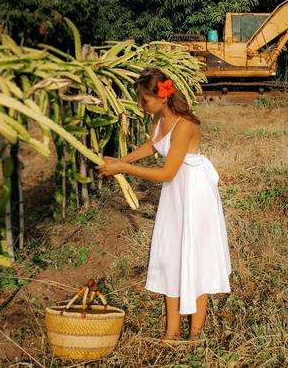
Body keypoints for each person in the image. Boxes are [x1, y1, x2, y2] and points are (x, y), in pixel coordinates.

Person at [96, 67, 232, 343]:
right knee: (171, 255)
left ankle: (195, 334)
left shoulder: (184, 126)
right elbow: (152, 146)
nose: (140, 105)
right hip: (176, 193)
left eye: (144, 99)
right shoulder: (158, 120)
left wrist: (123, 168)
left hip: (194, 193)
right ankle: (172, 332)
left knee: (195, 256)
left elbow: (166, 173)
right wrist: (123, 160)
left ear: (162, 97)